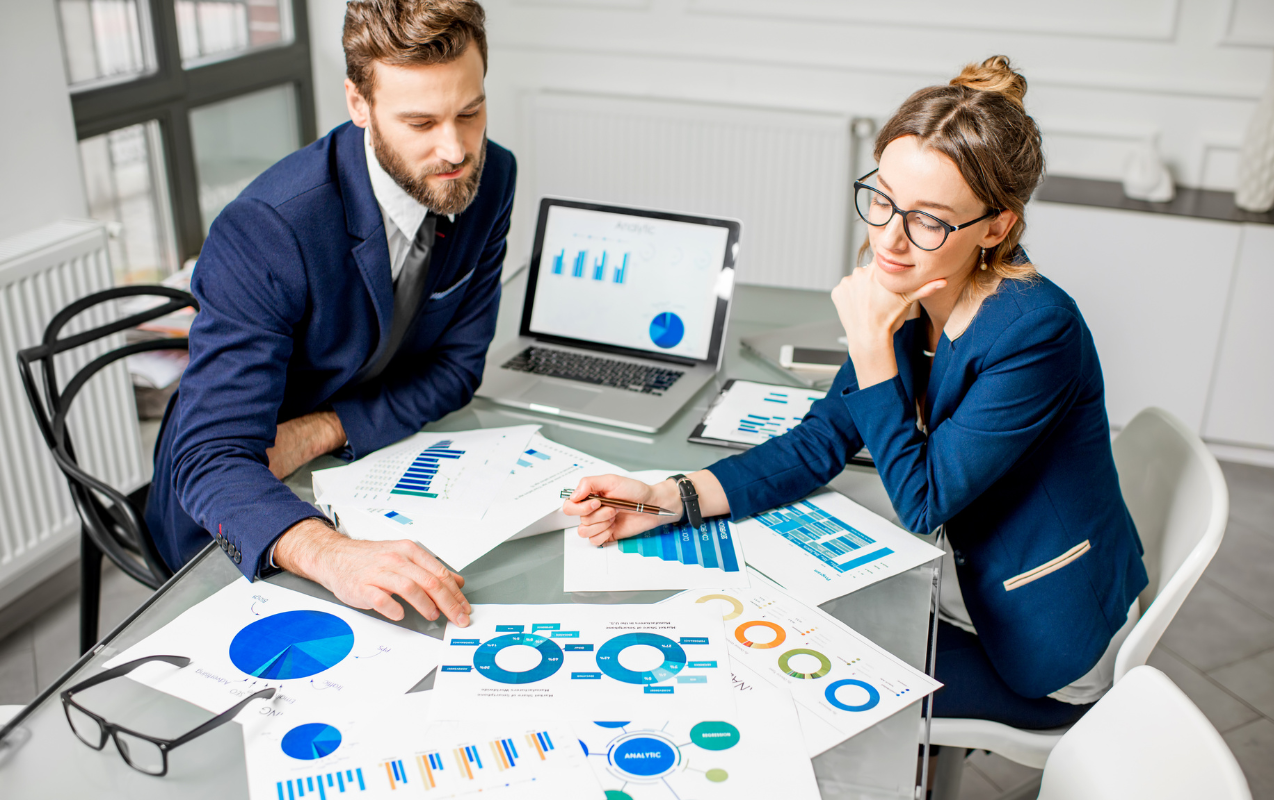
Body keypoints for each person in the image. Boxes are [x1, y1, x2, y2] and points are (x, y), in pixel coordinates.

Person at [564, 56, 1148, 728]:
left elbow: (923, 500)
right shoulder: (914, 287)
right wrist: (671, 498)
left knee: (774, 688)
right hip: (963, 582)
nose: (890, 240)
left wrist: (872, 348)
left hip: (1042, 644)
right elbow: (820, 443)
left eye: (929, 220)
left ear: (996, 227)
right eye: (884, 200)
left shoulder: (1036, 332)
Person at [146, 0, 517, 629]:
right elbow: (211, 458)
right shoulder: (268, 228)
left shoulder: (490, 177)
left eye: (470, 112)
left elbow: (458, 369)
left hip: (366, 466)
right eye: (420, 122)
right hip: (247, 509)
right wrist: (329, 551)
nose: (455, 148)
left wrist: (322, 430)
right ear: (358, 104)